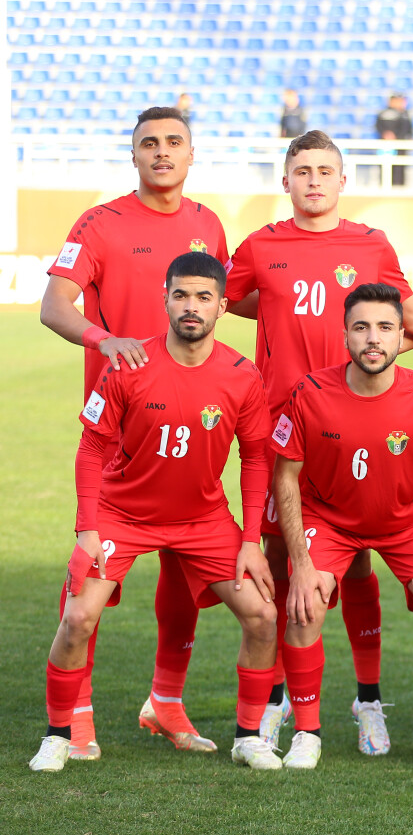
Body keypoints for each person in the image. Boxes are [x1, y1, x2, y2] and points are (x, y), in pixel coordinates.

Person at [224, 130, 413, 757]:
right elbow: (224, 301)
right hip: (288, 426)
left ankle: (367, 698)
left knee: (357, 560)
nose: (312, 180)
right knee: (287, 573)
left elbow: (405, 315)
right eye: (301, 170)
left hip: (359, 420)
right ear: (285, 180)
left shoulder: (370, 244)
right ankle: (279, 702)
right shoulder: (261, 244)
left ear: (341, 180)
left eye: (324, 170)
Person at [30, 252, 280, 773]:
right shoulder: (128, 364)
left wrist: (251, 539)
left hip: (204, 520)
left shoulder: (242, 375)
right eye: (181, 295)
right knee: (77, 617)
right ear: (164, 298)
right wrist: (86, 531)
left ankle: (250, 736)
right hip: (123, 513)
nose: (192, 307)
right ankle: (57, 735)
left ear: (222, 305)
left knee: (263, 616)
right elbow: (90, 450)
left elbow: (256, 457)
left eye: (204, 297)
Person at [40, 105, 229, 760]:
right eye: (149, 142)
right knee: (88, 577)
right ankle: (78, 711)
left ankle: (166, 702)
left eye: (174, 141)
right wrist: (103, 337)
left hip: (189, 430)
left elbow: (219, 304)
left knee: (184, 570)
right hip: (118, 430)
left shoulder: (208, 224)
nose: (161, 152)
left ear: (191, 152)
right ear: (134, 154)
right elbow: (54, 303)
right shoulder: (99, 222)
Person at [270, 283, 413, 771]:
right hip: (330, 521)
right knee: (303, 606)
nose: (373, 339)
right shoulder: (310, 393)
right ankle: (306, 732)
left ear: (403, 335)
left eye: (385, 327)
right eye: (361, 328)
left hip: (405, 523)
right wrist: (300, 563)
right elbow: (286, 476)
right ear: (345, 335)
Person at [375, 93, 413, 187]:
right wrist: (385, 134)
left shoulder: (405, 114)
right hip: (386, 145)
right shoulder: (384, 113)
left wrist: (407, 137)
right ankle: (384, 185)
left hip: (401, 145)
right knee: (385, 165)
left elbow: (408, 129)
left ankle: (400, 186)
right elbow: (378, 126)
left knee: (400, 166)